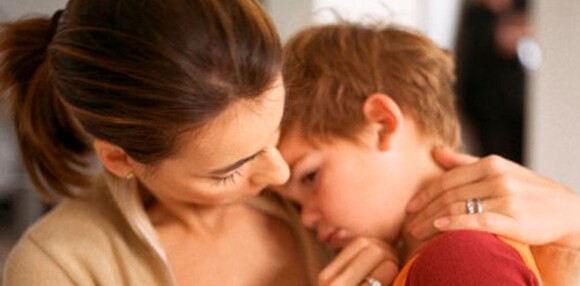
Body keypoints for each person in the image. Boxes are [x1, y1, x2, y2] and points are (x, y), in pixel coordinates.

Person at [0, 0, 329, 285]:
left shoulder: (330, 186)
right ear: (120, 160)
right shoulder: (58, 269)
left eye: (276, 128)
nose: (281, 173)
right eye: (230, 170)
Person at [276, 22, 580, 285]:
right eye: (294, 203)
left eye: (310, 177)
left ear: (382, 124)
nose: (306, 219)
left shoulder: (458, 258)